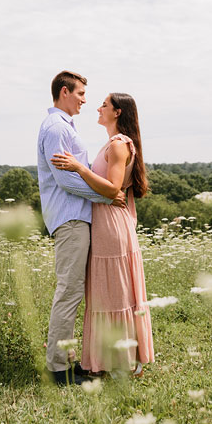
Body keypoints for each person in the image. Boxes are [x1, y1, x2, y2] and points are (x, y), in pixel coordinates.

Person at [51, 92, 155, 376]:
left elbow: (112, 189)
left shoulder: (119, 145)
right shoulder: (111, 144)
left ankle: (123, 363)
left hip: (111, 226)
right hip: (105, 224)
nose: (97, 107)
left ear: (117, 112)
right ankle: (111, 362)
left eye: (104, 105)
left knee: (114, 296)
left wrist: (78, 168)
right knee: (105, 295)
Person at [37, 70, 125, 386]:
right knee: (69, 292)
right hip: (71, 220)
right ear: (64, 92)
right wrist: (106, 194)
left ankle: (69, 362)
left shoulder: (63, 127)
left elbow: (79, 172)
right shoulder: (56, 128)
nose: (85, 101)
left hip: (77, 219)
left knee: (75, 292)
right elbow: (66, 179)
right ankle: (58, 372)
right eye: (81, 94)